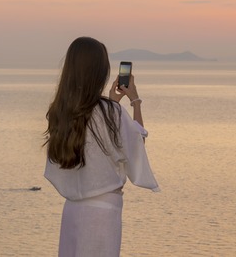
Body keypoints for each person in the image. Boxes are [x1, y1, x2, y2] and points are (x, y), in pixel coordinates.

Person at [43, 36, 160, 257]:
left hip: (72, 212)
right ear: (99, 72)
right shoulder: (109, 113)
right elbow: (136, 144)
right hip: (102, 214)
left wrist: (112, 104)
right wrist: (135, 101)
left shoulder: (62, 112)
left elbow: (91, 138)